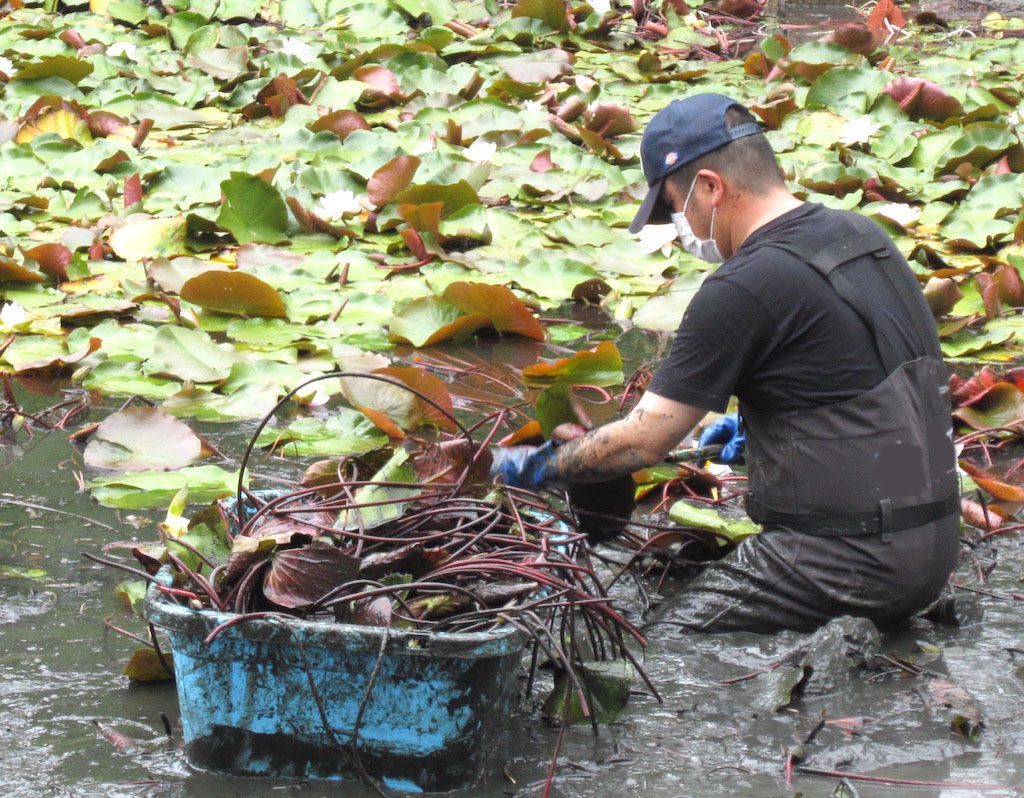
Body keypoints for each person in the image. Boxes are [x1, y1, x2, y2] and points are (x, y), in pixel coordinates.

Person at [491, 93, 960, 634]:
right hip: (933, 550)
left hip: (847, 565)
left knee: (661, 645)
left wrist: (540, 467)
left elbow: (643, 442)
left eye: (673, 207)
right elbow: (863, 381)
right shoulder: (862, 235)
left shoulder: (743, 286)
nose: (677, 227)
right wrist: (744, 428)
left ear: (711, 187)